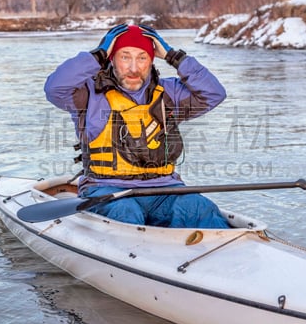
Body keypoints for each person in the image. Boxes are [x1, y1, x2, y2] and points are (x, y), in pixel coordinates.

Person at [44, 23, 230, 228]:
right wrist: (96, 55)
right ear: (111, 58)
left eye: (142, 57)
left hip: (164, 190)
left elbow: (214, 94)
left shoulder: (170, 93)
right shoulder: (87, 94)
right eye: (125, 56)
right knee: (126, 211)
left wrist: (174, 57)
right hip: (106, 189)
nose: (133, 68)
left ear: (152, 60)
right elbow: (54, 88)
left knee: (198, 207)